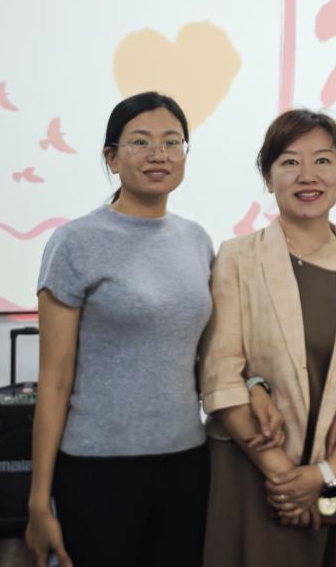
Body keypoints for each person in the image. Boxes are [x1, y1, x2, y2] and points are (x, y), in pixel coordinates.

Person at [25, 91, 214, 567]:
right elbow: (54, 380)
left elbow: (204, 354)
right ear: (111, 158)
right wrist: (38, 500)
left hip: (186, 459)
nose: (158, 154)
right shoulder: (75, 242)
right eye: (140, 142)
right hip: (97, 466)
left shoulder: (196, 240)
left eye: (172, 141)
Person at [199, 109, 336, 567]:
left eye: (323, 160)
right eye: (289, 162)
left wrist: (323, 476)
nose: (308, 175)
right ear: (269, 178)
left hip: (329, 481)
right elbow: (221, 376)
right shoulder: (238, 257)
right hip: (249, 472)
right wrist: (286, 479)